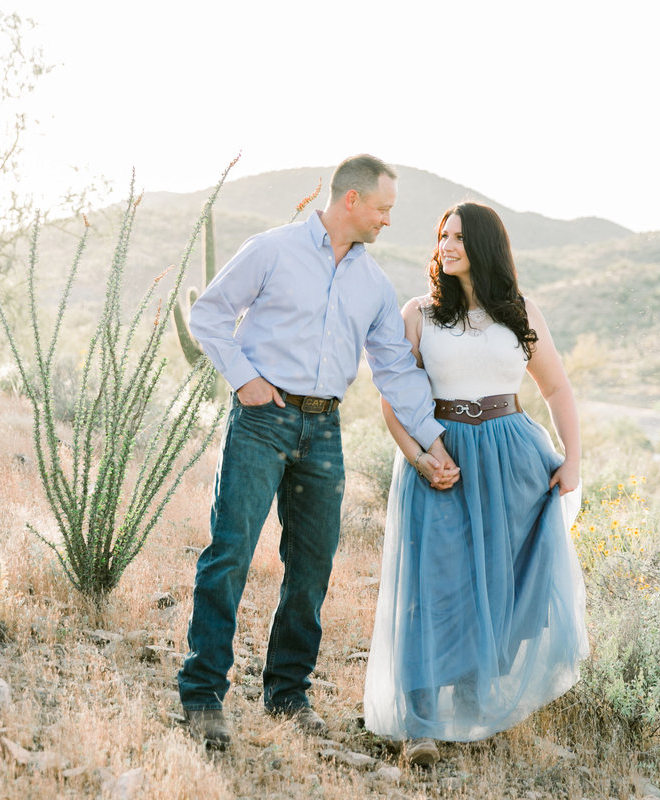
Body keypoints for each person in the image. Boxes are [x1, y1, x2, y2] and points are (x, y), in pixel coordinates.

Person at [178, 154, 460, 750]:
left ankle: (286, 692)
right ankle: (202, 695)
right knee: (230, 551)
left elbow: (395, 371)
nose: (388, 220)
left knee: (312, 566)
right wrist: (243, 379)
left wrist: (433, 442)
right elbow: (209, 315)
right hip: (262, 420)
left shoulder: (373, 285)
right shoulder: (272, 250)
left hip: (323, 431)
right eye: (383, 208)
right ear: (351, 201)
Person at [362, 202, 588, 766]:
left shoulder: (521, 312)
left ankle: (469, 702)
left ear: (485, 245)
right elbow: (394, 397)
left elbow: (558, 390)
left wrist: (573, 459)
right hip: (443, 455)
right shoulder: (419, 313)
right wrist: (418, 457)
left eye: (459, 237)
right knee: (431, 586)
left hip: (513, 456)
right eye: (442, 235)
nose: (447, 246)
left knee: (498, 582)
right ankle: (418, 723)